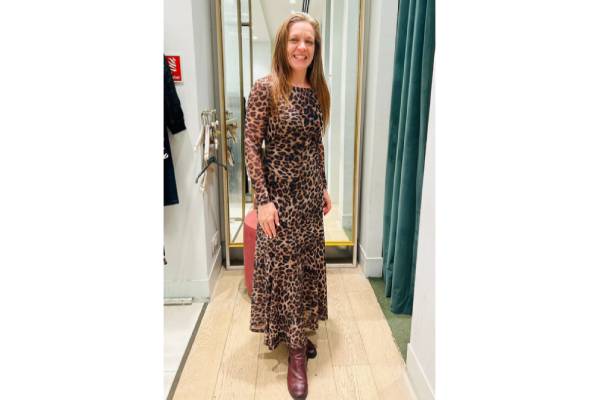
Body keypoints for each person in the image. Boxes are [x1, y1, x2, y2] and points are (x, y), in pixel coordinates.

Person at [244, 12, 332, 400]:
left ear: (315, 48)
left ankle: (296, 332)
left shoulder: (317, 89)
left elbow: (316, 144)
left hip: (309, 199)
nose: (302, 47)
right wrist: (262, 201)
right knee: (286, 271)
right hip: (280, 200)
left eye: (309, 41)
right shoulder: (266, 88)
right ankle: (296, 352)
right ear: (284, 44)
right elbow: (251, 146)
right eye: (296, 39)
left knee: (305, 269)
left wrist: (323, 185)